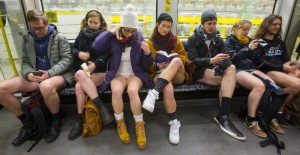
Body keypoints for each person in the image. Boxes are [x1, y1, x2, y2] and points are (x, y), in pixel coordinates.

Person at [0, 10, 74, 145]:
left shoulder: (59, 38)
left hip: (58, 74)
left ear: (46, 24)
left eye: (40, 28)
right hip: (36, 76)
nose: (37, 31)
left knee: (46, 86)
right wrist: (28, 73)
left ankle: (55, 120)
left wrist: (49, 73)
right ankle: (29, 123)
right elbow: (25, 61)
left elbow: (67, 60)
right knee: (1, 89)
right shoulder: (28, 39)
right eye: (34, 28)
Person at [92, 4, 153, 149]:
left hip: (135, 73)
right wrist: (110, 33)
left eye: (132, 31)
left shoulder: (139, 37)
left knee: (132, 91)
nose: (129, 34)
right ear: (121, 27)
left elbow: (146, 65)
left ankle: (139, 125)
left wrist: (147, 53)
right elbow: (96, 46)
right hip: (118, 73)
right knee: (117, 91)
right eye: (126, 30)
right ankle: (120, 123)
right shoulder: (114, 38)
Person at [187, 9, 245, 140]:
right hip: (199, 70)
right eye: (209, 23)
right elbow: (194, 59)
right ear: (202, 24)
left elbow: (226, 57)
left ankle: (223, 115)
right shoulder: (193, 39)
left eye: (214, 23)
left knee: (231, 68)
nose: (212, 26)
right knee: (229, 78)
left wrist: (222, 62)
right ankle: (223, 117)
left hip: (215, 70)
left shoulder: (218, 39)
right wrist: (211, 60)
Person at [225, 20, 278, 138]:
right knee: (259, 86)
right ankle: (250, 119)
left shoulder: (249, 41)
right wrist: (248, 49)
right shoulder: (229, 41)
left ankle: (268, 115)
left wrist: (260, 51)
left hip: (250, 68)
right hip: (236, 70)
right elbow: (232, 59)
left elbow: (255, 61)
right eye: (244, 29)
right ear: (235, 29)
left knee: (272, 84)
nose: (246, 32)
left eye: (248, 30)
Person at [68, 10, 114, 141]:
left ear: (101, 23)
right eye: (90, 22)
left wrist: (95, 64)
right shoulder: (82, 34)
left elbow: (107, 56)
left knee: (78, 87)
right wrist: (78, 54)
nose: (93, 25)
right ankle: (101, 108)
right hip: (83, 71)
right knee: (79, 74)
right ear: (86, 22)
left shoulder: (105, 36)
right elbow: (73, 48)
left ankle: (79, 120)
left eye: (96, 22)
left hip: (99, 72)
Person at [142, 13, 185, 144]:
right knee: (167, 88)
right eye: (163, 26)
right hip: (159, 73)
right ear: (157, 25)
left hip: (177, 73)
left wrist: (171, 62)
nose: (165, 29)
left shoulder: (175, 40)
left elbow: (184, 57)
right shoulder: (149, 43)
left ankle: (153, 93)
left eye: (168, 27)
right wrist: (156, 65)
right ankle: (174, 122)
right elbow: (145, 66)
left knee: (177, 60)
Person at [252, 14, 300, 133]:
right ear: (267, 25)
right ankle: (276, 112)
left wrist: (293, 66)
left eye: (279, 24)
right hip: (267, 71)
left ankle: (277, 111)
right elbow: (260, 62)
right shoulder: (259, 42)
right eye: (274, 24)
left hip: (281, 70)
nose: (277, 26)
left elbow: (286, 59)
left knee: (295, 79)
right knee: (297, 84)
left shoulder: (280, 42)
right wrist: (282, 67)